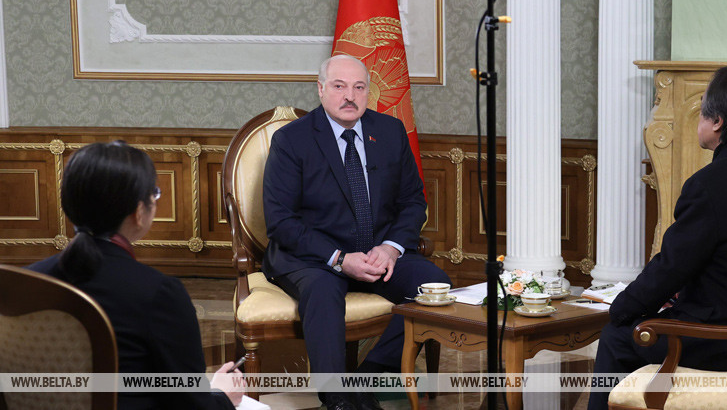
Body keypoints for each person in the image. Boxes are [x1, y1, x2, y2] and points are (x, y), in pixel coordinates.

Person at [588, 66, 727, 409]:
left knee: (618, 337)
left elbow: (670, 267)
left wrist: (621, 309)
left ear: (717, 121)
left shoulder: (707, 184)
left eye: (703, 110)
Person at [262, 54, 450, 410]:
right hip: (315, 257)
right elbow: (280, 220)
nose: (350, 96)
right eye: (339, 86)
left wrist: (391, 248)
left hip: (378, 253)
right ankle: (337, 400)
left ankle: (368, 381)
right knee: (321, 291)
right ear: (321, 90)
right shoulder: (291, 140)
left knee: (434, 286)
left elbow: (413, 200)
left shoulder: (390, 131)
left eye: (359, 87)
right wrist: (339, 258)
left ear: (368, 92)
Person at [28, 141, 244, 410]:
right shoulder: (160, 295)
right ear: (139, 212)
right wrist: (223, 396)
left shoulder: (25, 281)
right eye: (155, 193)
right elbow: (191, 405)